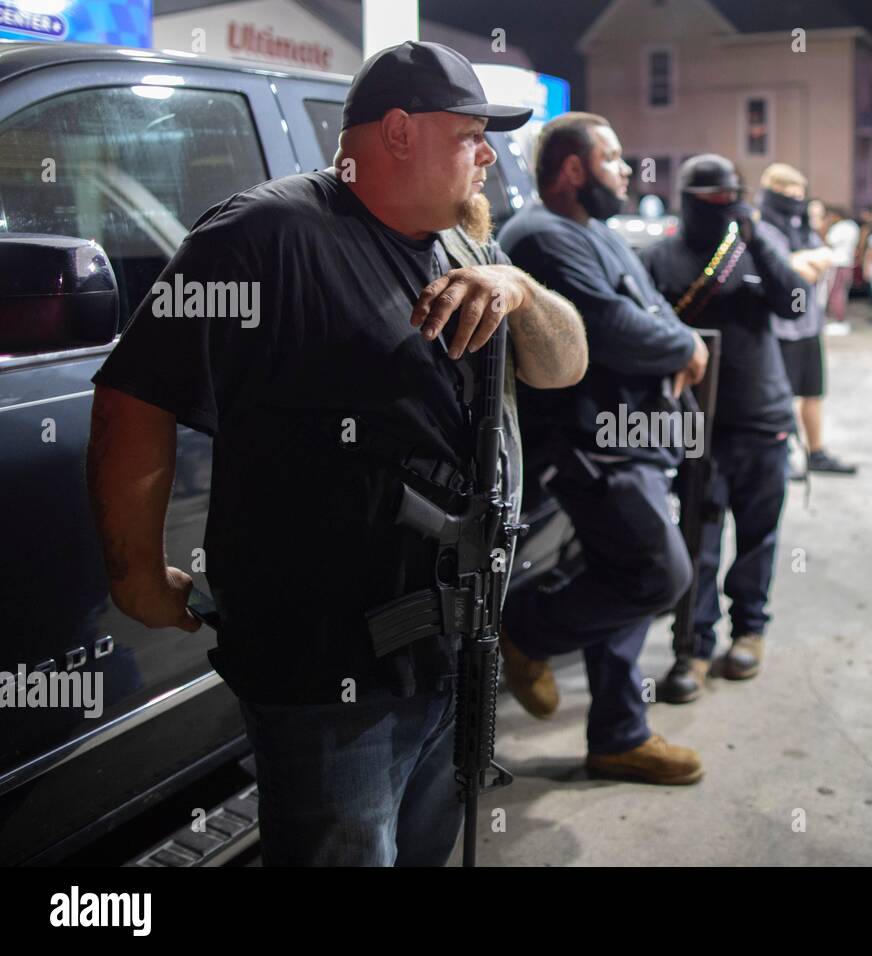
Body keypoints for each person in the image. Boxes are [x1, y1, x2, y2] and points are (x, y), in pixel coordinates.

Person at [85, 41, 587, 865]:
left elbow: (564, 364)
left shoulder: (467, 249)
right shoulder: (267, 234)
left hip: (454, 645)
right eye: (471, 134)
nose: (488, 153)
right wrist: (133, 572)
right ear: (397, 132)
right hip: (329, 668)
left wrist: (521, 288)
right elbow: (137, 394)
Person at [495, 112, 708, 785]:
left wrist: (678, 338)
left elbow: (655, 309)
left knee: (623, 577)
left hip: (633, 436)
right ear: (574, 168)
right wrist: (684, 347)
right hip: (588, 443)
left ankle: (619, 734)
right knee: (658, 575)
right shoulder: (539, 235)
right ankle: (524, 629)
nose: (626, 171)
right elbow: (611, 329)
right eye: (613, 158)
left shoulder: (599, 235)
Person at [640, 154, 809, 701]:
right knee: (698, 541)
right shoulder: (659, 257)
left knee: (758, 537)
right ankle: (691, 645)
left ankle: (750, 632)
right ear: (688, 201)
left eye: (728, 199)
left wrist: (756, 236)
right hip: (695, 424)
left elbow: (793, 304)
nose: (720, 209)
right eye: (710, 200)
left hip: (763, 418)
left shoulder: (753, 249)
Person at [759, 164, 857, 476]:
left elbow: (823, 259)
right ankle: (784, 456)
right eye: (789, 193)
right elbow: (786, 271)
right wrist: (801, 264)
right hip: (780, 328)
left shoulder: (801, 227)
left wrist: (801, 263)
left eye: (800, 193)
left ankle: (816, 453)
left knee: (813, 391)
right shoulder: (764, 228)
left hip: (809, 324)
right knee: (781, 395)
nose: (796, 199)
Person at [821, 205, 862, 330]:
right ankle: (839, 320)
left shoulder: (840, 227)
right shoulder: (853, 226)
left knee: (835, 292)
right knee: (842, 292)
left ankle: (839, 321)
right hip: (847, 263)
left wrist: (825, 226)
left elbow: (828, 241)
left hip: (837, 263)